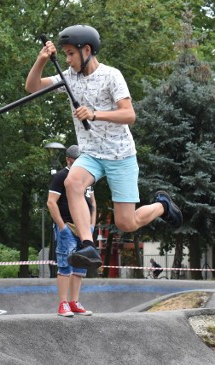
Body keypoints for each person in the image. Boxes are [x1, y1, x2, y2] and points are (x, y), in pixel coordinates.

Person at [26, 25, 182, 270]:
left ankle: (162, 205)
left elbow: (129, 114)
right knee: (71, 183)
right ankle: (87, 245)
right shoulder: (69, 77)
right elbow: (32, 87)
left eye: (70, 54)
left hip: (120, 155)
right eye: (64, 54)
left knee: (126, 223)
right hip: (91, 153)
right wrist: (41, 59)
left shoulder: (112, 76)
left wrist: (95, 114)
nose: (67, 59)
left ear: (86, 50)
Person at [47, 145, 96, 317]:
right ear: (69, 160)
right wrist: (62, 227)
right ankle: (63, 303)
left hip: (85, 229)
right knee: (65, 264)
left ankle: (74, 302)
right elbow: (51, 202)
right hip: (68, 225)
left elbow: (93, 203)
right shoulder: (61, 176)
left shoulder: (86, 177)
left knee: (80, 265)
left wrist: (92, 225)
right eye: (78, 161)